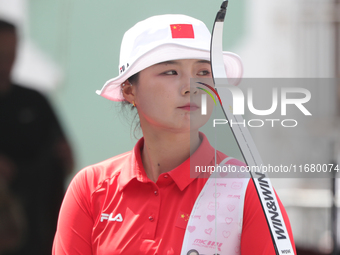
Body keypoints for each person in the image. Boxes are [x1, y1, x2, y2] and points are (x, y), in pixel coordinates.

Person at [53, 14, 296, 254]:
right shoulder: (90, 188)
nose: (192, 86)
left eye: (203, 72)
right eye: (170, 72)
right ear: (129, 90)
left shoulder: (249, 191)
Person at [0, 19, 74, 255]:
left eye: (11, 55)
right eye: (1, 55)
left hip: (39, 231)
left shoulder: (35, 101)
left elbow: (67, 156)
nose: (6, 64)